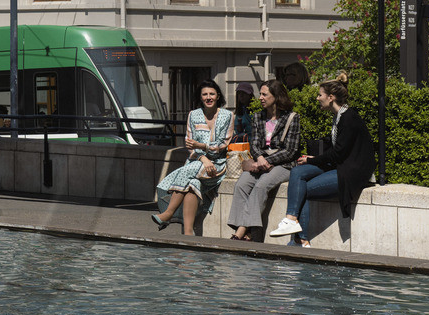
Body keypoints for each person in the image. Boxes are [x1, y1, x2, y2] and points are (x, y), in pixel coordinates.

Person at [269, 75, 376, 247]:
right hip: (339, 165)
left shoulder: (349, 118)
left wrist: (314, 160)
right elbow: (335, 147)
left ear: (331, 97)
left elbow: (339, 154)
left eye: (320, 95)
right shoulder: (339, 116)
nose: (317, 98)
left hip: (350, 173)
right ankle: (291, 221)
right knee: (298, 171)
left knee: (302, 189)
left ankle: (300, 239)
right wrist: (313, 158)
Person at [152, 79, 233, 236]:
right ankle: (188, 232)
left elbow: (222, 144)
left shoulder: (227, 115)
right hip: (196, 162)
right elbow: (190, 146)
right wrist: (203, 158)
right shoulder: (193, 115)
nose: (208, 97)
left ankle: (168, 213)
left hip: (217, 165)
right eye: (205, 94)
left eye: (211, 94)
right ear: (200, 97)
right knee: (193, 184)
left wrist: (202, 146)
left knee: (188, 172)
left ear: (218, 96)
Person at [226, 81, 301, 241]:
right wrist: (260, 158)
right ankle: (248, 232)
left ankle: (241, 231)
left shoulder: (292, 118)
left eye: (264, 94)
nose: (260, 97)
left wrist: (266, 161)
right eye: (260, 94)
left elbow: (290, 150)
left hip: (283, 164)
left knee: (261, 186)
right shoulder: (258, 117)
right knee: (242, 184)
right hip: (260, 161)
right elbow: (254, 144)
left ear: (276, 96)